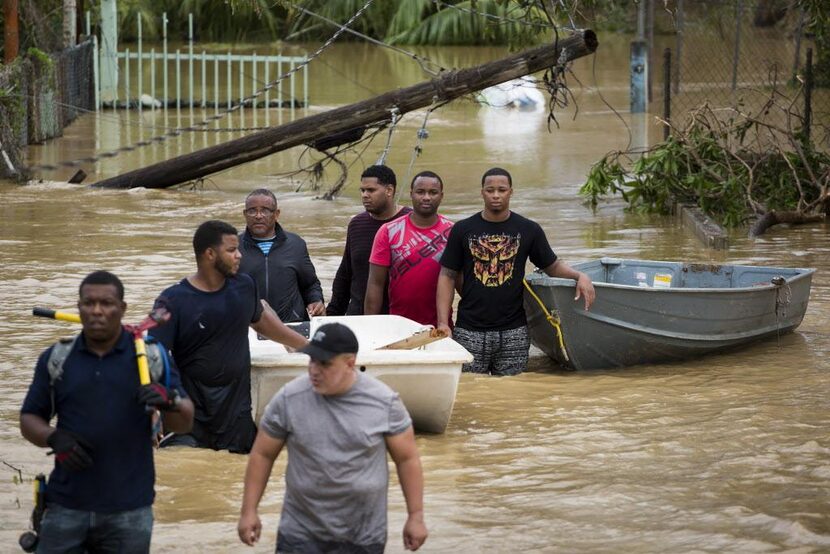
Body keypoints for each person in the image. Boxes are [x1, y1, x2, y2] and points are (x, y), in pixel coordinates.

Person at [20, 270, 195, 553]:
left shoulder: (149, 357)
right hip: (65, 504)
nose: (97, 311)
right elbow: (29, 418)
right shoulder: (57, 359)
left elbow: (185, 422)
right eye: (89, 303)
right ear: (78, 307)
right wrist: (53, 437)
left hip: (130, 509)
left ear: (122, 308)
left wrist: (169, 401)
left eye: (107, 303)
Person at [237, 322, 428, 553]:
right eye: (311, 360)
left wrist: (415, 516)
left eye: (325, 363)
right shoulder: (289, 398)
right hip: (300, 534)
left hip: (363, 536)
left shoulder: (384, 402)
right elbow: (263, 454)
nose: (314, 370)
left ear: (350, 363)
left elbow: (407, 459)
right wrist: (249, 511)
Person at [150, 220, 307, 454]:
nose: (239, 256)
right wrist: (152, 408)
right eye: (232, 250)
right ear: (210, 254)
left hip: (237, 415)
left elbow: (261, 320)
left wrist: (305, 345)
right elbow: (153, 354)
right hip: (192, 416)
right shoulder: (172, 300)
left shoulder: (244, 286)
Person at [436, 167, 595, 376]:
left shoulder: (529, 229)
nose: (495, 195)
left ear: (511, 192)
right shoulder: (463, 229)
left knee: (512, 393)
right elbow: (447, 276)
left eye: (501, 190)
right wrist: (442, 323)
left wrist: (579, 276)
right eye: (490, 190)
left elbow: (552, 266)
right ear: (482, 192)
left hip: (514, 331)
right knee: (471, 390)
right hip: (470, 330)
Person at [365, 171, 454, 327]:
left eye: (433, 192)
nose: (426, 197)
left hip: (441, 326)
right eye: (420, 192)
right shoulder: (388, 231)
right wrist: (370, 326)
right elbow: (375, 284)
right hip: (399, 325)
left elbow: (461, 282)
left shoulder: (453, 232)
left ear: (441, 195)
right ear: (411, 194)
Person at [326, 165, 412, 316]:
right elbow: (345, 274)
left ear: (389, 191)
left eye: (371, 190)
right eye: (362, 190)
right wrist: (332, 316)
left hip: (400, 318)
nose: (365, 195)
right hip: (360, 315)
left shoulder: (411, 222)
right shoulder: (356, 224)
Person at [238, 188, 325, 323]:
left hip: (291, 325)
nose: (258, 215)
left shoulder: (296, 245)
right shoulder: (234, 247)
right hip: (248, 329)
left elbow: (310, 284)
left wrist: (316, 300)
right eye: (252, 210)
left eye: (265, 210)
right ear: (245, 214)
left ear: (276, 214)